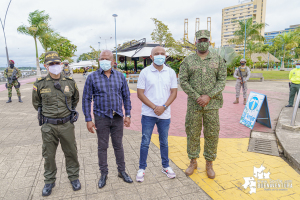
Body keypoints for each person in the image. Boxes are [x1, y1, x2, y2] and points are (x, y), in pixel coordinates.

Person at [179, 30, 227, 179]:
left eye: (205, 40)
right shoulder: (188, 60)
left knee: (212, 134)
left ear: (209, 42)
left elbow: (222, 81)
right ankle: (193, 161)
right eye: (200, 40)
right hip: (194, 105)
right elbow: (183, 81)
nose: (203, 42)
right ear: (196, 42)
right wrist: (197, 97)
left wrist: (209, 96)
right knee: (192, 133)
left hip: (212, 105)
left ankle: (209, 163)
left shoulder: (218, 59)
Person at [32, 51, 81, 196]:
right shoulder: (40, 83)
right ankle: (49, 181)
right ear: (46, 66)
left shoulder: (70, 82)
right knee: (49, 155)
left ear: (61, 64)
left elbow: (75, 100)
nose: (54, 66)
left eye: (57, 63)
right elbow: (37, 104)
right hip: (49, 126)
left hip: (66, 124)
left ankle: (73, 178)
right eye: (51, 64)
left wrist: (68, 113)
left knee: (71, 152)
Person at [82, 50, 133, 189]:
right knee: (102, 147)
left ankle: (121, 171)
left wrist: (127, 114)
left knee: (118, 145)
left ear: (112, 61)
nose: (104, 60)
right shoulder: (92, 77)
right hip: (101, 117)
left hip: (117, 117)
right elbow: (86, 99)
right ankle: (103, 173)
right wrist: (88, 119)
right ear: (99, 60)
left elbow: (126, 96)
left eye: (107, 58)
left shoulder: (120, 77)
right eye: (101, 58)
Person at [136, 46, 178, 182]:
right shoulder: (145, 72)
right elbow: (140, 94)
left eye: (162, 53)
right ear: (151, 56)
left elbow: (174, 92)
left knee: (164, 142)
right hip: (148, 114)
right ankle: (142, 168)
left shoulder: (171, 72)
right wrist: (155, 107)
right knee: (145, 142)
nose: (160, 55)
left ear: (166, 56)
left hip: (165, 115)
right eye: (157, 54)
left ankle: (165, 166)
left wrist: (164, 107)